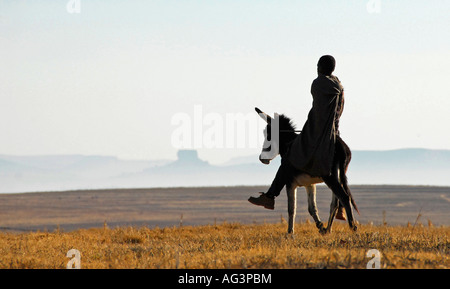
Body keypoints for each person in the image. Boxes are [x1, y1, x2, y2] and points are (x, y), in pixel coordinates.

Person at [249, 55, 346, 220]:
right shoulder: (339, 86)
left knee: (288, 161)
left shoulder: (318, 84)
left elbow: (317, 112)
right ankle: (342, 207)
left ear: (320, 68)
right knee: (342, 169)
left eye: (317, 66)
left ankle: (270, 196)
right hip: (335, 133)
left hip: (318, 135)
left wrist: (310, 129)